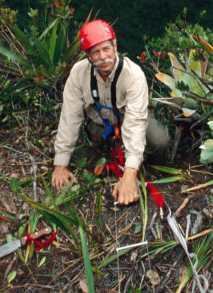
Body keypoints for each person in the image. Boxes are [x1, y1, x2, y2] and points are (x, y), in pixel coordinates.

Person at [51, 20, 170, 205]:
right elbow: (70, 116)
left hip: (129, 120)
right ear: (88, 55)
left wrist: (129, 174)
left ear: (115, 45)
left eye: (106, 49)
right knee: (94, 156)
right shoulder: (79, 73)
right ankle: (112, 148)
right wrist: (60, 164)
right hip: (99, 126)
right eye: (95, 52)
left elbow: (136, 122)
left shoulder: (133, 75)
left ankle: (144, 158)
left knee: (160, 139)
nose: (102, 57)